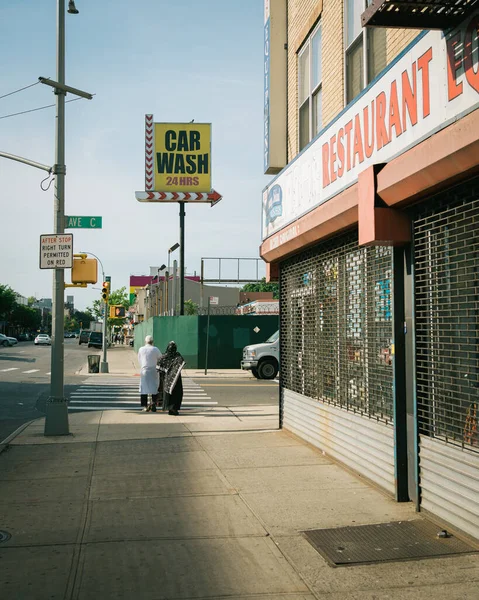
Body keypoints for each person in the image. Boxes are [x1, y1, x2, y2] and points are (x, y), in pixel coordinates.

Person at [157, 341, 185, 415]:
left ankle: (170, 408)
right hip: (176, 379)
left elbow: (159, 366)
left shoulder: (164, 357)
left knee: (169, 394)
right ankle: (174, 409)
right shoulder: (177, 356)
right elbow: (182, 361)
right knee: (177, 394)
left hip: (166, 379)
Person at [137, 335, 162, 412]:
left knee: (144, 389)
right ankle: (153, 404)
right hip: (153, 371)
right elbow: (160, 358)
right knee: (154, 388)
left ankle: (145, 406)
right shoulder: (155, 349)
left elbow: (139, 359)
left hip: (144, 370)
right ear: (152, 342)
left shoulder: (141, 349)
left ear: (145, 341)